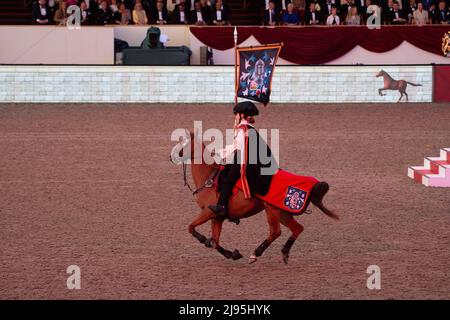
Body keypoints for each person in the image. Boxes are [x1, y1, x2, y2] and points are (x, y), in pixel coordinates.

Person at [208, 101, 277, 219]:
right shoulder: (246, 128)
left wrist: (220, 153)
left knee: (228, 179)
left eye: (236, 114)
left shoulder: (243, 129)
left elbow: (236, 147)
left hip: (245, 161)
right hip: (244, 158)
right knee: (225, 172)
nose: (235, 117)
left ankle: (221, 207)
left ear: (241, 115)